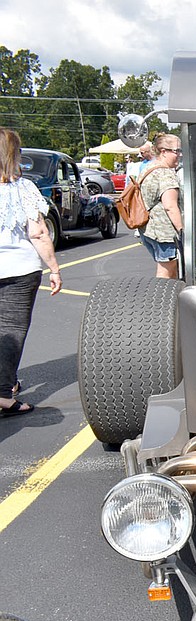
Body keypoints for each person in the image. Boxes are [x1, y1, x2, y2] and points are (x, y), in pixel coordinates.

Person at [0, 127, 62, 417]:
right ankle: (4, 394)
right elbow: (38, 233)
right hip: (17, 269)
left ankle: (7, 381)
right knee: (11, 331)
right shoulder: (22, 188)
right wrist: (54, 268)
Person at [137, 133, 184, 280]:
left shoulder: (149, 168)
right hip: (163, 233)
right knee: (165, 272)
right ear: (163, 151)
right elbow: (170, 206)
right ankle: (160, 302)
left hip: (148, 230)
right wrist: (182, 230)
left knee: (172, 272)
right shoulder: (165, 174)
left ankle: (174, 301)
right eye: (177, 151)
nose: (180, 155)